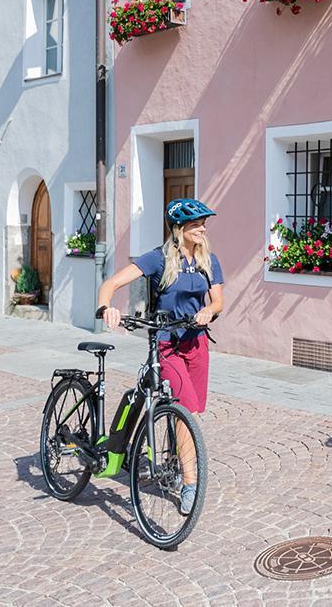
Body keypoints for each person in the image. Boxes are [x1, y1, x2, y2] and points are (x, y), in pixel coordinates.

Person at [95, 198, 224, 515]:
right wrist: (106, 307)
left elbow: (218, 301)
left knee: (193, 413)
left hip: (197, 343)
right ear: (179, 229)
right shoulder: (158, 259)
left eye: (204, 224)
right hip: (166, 343)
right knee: (185, 408)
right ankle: (190, 483)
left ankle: (179, 460)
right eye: (196, 225)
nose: (203, 229)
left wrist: (208, 311)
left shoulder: (209, 261)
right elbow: (111, 283)